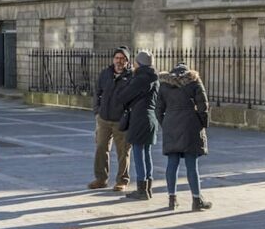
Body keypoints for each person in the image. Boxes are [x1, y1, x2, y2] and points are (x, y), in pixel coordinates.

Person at [157, 63, 212, 211]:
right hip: (190, 124)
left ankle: (172, 199)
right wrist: (203, 123)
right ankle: (196, 199)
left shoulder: (164, 84)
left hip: (170, 122)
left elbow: (158, 109)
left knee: (172, 162)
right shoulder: (194, 81)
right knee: (191, 165)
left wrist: (166, 124)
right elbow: (203, 105)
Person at [117, 50, 161, 201]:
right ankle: (147, 188)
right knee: (147, 153)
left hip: (139, 118)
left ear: (139, 63)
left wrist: (128, 81)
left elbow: (123, 97)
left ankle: (141, 190)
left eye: (135, 61)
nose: (133, 64)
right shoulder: (154, 78)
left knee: (138, 152)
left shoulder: (140, 78)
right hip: (150, 118)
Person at [90, 47, 133, 191]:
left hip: (121, 121)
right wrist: (97, 111)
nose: (119, 61)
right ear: (113, 59)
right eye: (117, 58)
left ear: (127, 61)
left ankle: (122, 180)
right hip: (104, 119)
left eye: (123, 58)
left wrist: (128, 116)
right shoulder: (105, 74)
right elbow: (97, 92)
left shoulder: (132, 76)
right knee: (101, 148)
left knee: (123, 151)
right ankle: (101, 179)